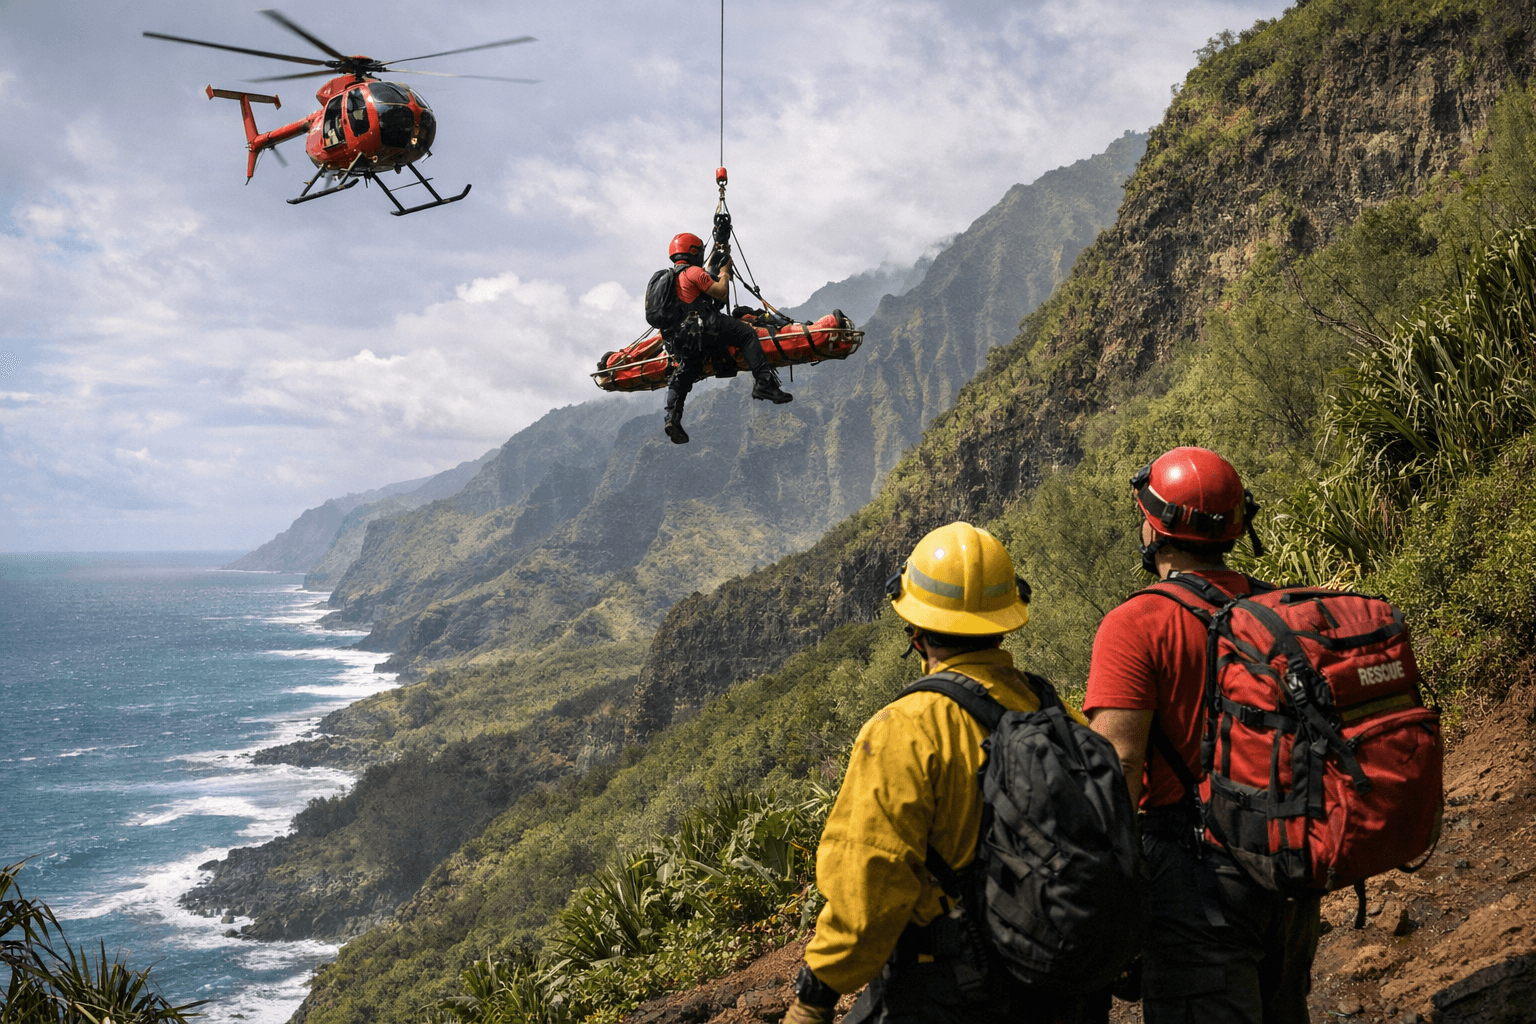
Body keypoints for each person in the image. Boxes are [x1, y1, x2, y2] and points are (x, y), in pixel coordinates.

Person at [786, 521, 1108, 1024]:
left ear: (914, 631)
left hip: (952, 990)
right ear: (1006, 618)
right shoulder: (1054, 710)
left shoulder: (904, 729)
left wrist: (816, 995)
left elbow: (870, 888)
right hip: (1058, 981)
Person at [1083, 446, 1320, 1024]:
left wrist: (1104, 902)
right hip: (1287, 860)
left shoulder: (1132, 626)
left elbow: (1116, 770)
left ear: (1153, 526)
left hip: (1194, 878)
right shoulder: (1278, 608)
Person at [660, 231, 791, 444]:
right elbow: (721, 293)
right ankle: (764, 383)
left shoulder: (671, 278)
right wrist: (725, 273)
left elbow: (704, 278)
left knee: (685, 372)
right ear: (693, 251)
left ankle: (672, 418)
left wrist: (718, 252)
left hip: (679, 338)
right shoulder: (693, 272)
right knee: (747, 334)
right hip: (703, 326)